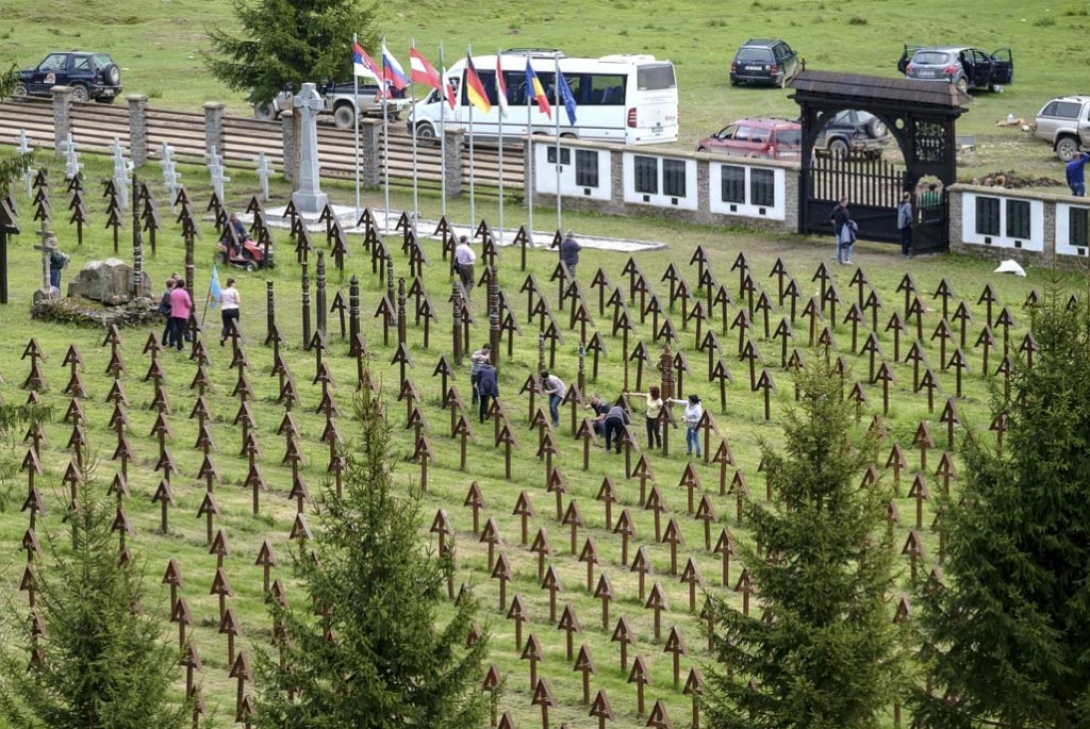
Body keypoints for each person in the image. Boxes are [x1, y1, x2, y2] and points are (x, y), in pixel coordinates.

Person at [669, 393, 704, 458]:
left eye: (689, 400)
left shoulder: (697, 409)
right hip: (689, 426)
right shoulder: (688, 403)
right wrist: (672, 400)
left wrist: (688, 420)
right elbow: (681, 402)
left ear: (693, 401)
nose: (688, 400)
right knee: (688, 439)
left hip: (695, 427)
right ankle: (689, 452)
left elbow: (699, 420)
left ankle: (698, 454)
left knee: (695, 440)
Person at [168, 279, 193, 351]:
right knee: (180, 330)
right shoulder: (184, 293)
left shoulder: (173, 292)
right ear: (183, 285)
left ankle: (175, 343)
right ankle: (180, 346)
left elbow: (170, 302)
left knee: (176, 329)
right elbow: (189, 304)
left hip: (174, 313)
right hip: (182, 314)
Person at [829, 197, 853, 265]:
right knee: (848, 244)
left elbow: (831, 218)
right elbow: (847, 222)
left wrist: (836, 224)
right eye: (846, 202)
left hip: (837, 229)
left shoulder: (835, 209)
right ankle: (846, 259)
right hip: (844, 230)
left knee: (838, 246)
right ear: (844, 202)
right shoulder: (845, 212)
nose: (847, 203)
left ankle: (838, 261)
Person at [219, 277, 240, 346]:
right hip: (234, 309)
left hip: (225, 309)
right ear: (232, 283)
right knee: (235, 325)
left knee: (226, 326)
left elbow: (220, 301)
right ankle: (234, 341)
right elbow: (237, 301)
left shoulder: (222, 291)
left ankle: (223, 337)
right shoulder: (234, 291)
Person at [158, 278, 175, 346]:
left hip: (169, 311)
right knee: (171, 327)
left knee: (169, 327)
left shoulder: (169, 291)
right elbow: (167, 303)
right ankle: (170, 342)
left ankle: (164, 341)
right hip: (169, 312)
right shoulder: (168, 292)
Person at [897, 192, 914, 258]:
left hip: (900, 223)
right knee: (907, 238)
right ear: (908, 197)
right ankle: (905, 253)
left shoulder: (901, 204)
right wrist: (911, 222)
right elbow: (909, 215)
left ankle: (903, 251)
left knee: (903, 238)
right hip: (906, 224)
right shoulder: (908, 205)